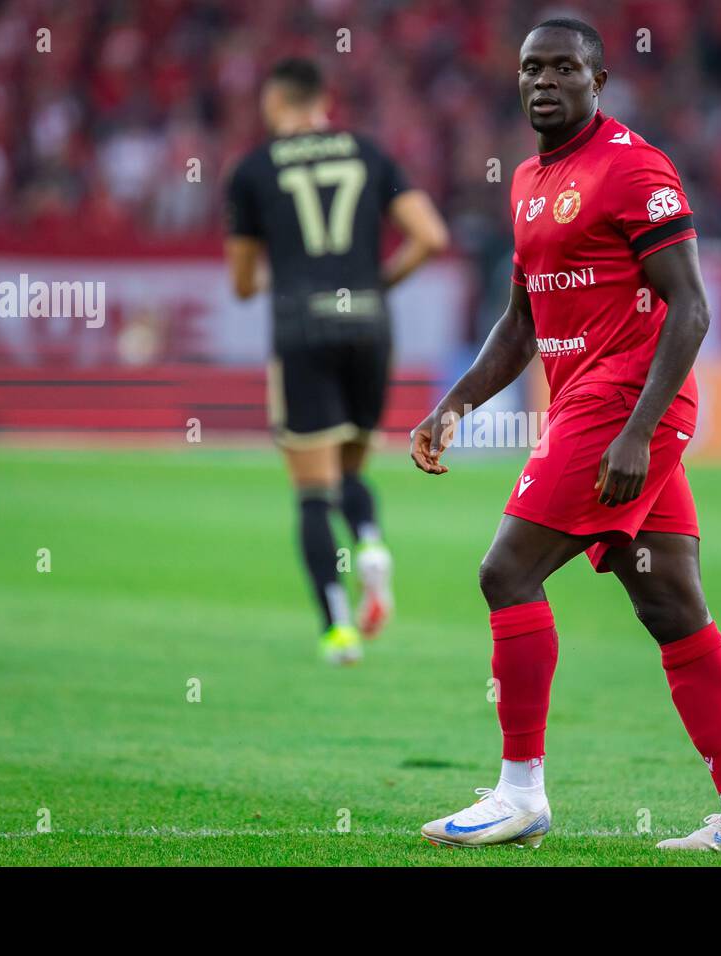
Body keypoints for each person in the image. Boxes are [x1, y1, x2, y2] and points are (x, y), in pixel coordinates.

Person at [409, 18, 721, 852]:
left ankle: (520, 794)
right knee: (673, 604)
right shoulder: (528, 183)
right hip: (593, 402)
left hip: (624, 405)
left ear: (597, 78)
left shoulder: (633, 168)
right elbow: (520, 322)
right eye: (530, 68)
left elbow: (691, 307)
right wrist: (455, 406)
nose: (544, 81)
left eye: (563, 67)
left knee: (505, 571)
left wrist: (638, 432)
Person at [226, 58, 448, 664]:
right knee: (352, 469)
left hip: (302, 329)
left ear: (276, 104)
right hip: (369, 327)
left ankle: (338, 629)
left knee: (311, 494)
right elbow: (430, 235)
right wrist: (376, 283)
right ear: (323, 100)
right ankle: (371, 544)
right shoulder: (369, 153)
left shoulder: (253, 169)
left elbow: (242, 282)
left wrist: (289, 273)